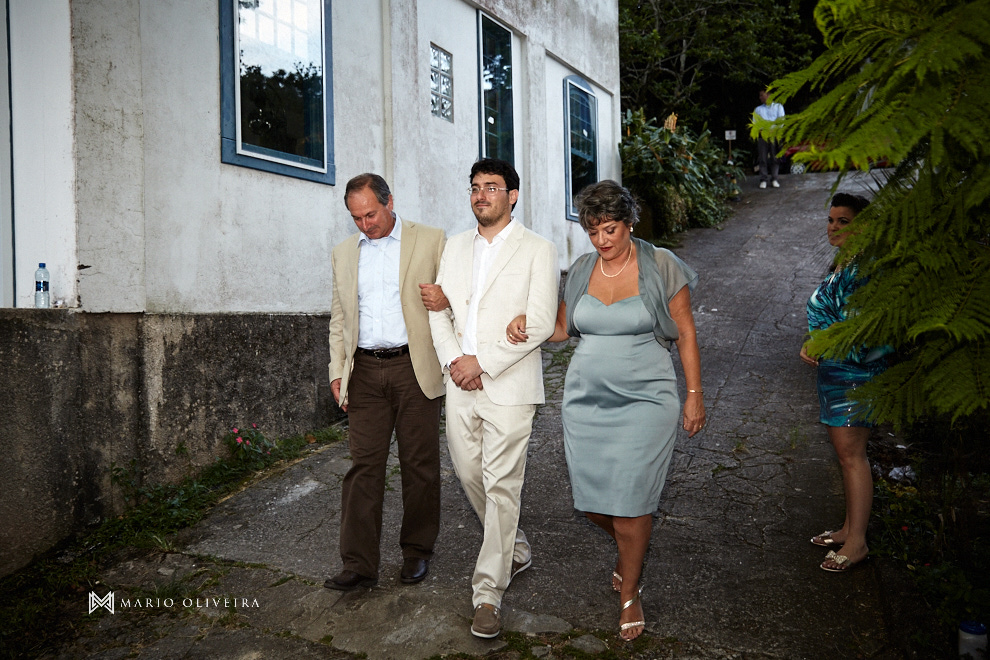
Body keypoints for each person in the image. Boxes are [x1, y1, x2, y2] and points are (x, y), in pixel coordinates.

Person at [506, 180, 705, 641]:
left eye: (610, 230)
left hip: (647, 398)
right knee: (595, 503)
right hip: (586, 399)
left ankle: (630, 591)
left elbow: (687, 332)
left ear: (629, 223)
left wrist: (694, 393)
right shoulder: (579, 271)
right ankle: (628, 550)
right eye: (593, 232)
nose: (602, 241)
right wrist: (525, 320)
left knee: (633, 502)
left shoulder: (660, 265)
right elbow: (560, 328)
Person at [428, 158, 559, 639]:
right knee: (468, 473)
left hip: (509, 385)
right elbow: (438, 311)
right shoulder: (455, 247)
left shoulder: (538, 250)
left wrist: (483, 362)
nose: (481, 195)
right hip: (459, 384)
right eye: (475, 188)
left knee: (501, 484)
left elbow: (542, 322)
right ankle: (514, 546)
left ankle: (488, 593)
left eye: (492, 187)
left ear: (513, 195)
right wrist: (455, 363)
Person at [325, 173, 449, 591]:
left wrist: (448, 301)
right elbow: (340, 316)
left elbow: (455, 295)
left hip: (413, 367)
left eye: (371, 214)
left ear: (389, 201)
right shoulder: (344, 253)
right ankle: (359, 564)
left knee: (420, 465)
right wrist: (337, 370)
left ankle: (416, 552)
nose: (366, 224)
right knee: (363, 467)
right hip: (364, 371)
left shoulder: (431, 240)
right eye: (357, 218)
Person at [800, 192, 889, 572]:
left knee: (853, 457)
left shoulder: (867, 268)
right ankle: (848, 529)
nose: (833, 227)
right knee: (845, 456)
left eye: (843, 222)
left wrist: (821, 343)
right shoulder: (845, 261)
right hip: (835, 373)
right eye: (831, 220)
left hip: (856, 375)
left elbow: (864, 331)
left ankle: (857, 543)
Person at [754, 89, 785, 189]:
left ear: (768, 95)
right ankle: (763, 179)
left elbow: (781, 121)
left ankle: (774, 178)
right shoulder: (758, 109)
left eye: (761, 95)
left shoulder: (778, 107)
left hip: (775, 135)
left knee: (775, 157)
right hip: (763, 136)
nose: (760, 98)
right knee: (762, 158)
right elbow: (755, 123)